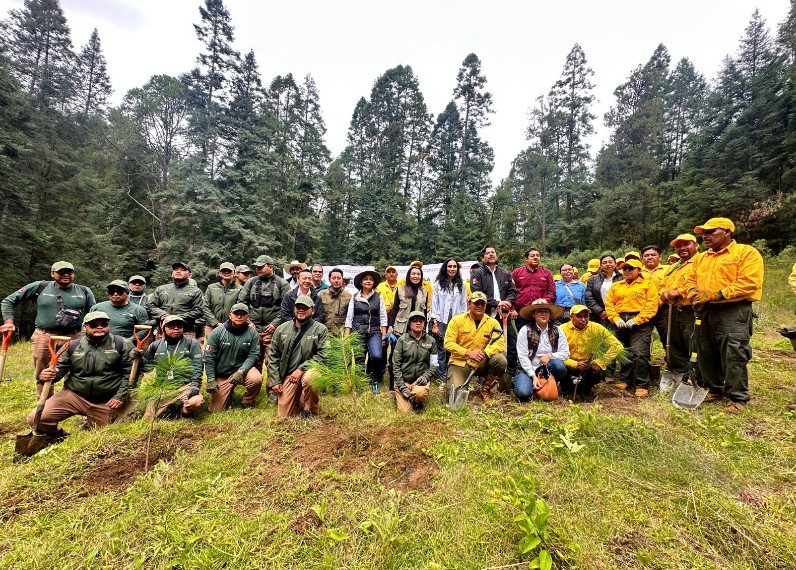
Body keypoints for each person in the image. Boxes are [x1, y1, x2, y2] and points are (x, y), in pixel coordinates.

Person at [684, 217, 764, 413]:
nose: (705, 236)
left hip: (733, 309)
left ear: (727, 232)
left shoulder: (746, 253)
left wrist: (717, 294)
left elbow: (749, 282)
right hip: (705, 310)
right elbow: (688, 278)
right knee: (706, 351)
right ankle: (715, 388)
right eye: (703, 233)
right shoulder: (701, 257)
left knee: (733, 351)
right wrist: (693, 293)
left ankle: (737, 397)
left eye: (711, 232)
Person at [30, 311, 133, 435]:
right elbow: (59, 369)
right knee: (35, 418)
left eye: (103, 324)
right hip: (74, 395)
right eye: (94, 325)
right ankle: (59, 436)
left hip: (105, 400)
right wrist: (47, 375)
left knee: (106, 435)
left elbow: (131, 374)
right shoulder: (72, 345)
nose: (99, 327)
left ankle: (91, 423)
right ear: (85, 327)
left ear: (108, 326)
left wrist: (120, 396)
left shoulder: (122, 344)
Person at [1, 261, 96, 395]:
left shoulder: (84, 291)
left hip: (74, 337)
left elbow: (94, 313)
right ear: (52, 274)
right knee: (43, 373)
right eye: (61, 272)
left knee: (76, 371)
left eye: (69, 272)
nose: (66, 275)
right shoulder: (40, 287)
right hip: (44, 336)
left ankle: (70, 402)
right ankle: (44, 405)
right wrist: (8, 322)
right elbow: (9, 301)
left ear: (73, 274)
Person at [267, 295, 329, 418]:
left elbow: (323, 355)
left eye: (305, 308)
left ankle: (310, 411)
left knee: (310, 379)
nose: (301, 310)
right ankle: (301, 398)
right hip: (290, 376)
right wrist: (275, 381)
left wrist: (301, 369)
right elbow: (273, 356)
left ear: (313, 310)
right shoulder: (281, 329)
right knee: (284, 415)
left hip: (310, 371)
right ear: (294, 309)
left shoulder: (321, 329)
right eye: (298, 307)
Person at [605, 258, 659, 397]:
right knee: (624, 352)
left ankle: (641, 384)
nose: (627, 271)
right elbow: (609, 304)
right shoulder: (617, 286)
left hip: (641, 323)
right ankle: (625, 379)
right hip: (621, 321)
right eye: (625, 269)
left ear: (639, 270)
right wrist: (615, 319)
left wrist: (637, 320)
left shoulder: (648, 285)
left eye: (631, 268)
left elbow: (651, 305)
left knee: (640, 353)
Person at [444, 291, 507, 401]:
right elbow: (448, 343)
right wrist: (468, 352)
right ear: (469, 304)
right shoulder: (457, 320)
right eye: (476, 303)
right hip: (460, 362)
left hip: (481, 361)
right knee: (458, 397)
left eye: (482, 304)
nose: (479, 306)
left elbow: (500, 343)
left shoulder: (493, 323)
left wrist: (485, 353)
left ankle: (486, 390)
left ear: (486, 305)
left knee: (500, 360)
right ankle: (453, 385)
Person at [141, 315, 204, 418]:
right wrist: (139, 359)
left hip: (185, 386)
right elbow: (147, 368)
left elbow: (198, 366)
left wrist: (195, 384)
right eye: (171, 326)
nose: (176, 329)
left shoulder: (191, 343)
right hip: (162, 388)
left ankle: (184, 412)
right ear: (163, 328)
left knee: (196, 402)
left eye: (179, 326)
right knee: (149, 418)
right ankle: (168, 410)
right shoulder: (155, 345)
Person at [204, 303, 262, 411]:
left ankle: (248, 401)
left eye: (242, 314)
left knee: (256, 379)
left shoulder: (252, 333)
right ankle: (227, 395)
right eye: (236, 314)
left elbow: (253, 355)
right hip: (222, 374)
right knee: (216, 410)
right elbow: (209, 357)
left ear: (247, 317)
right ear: (230, 315)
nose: (239, 317)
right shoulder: (217, 332)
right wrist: (211, 379)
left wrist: (241, 371)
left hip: (242, 371)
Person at [237, 254, 291, 369]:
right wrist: (248, 322)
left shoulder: (282, 283)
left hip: (272, 331)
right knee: (253, 359)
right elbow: (241, 304)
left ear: (270, 266)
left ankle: (272, 386)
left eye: (261, 267)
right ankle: (253, 385)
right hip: (252, 329)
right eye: (256, 267)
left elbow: (287, 308)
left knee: (272, 360)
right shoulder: (251, 282)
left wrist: (275, 324)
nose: (258, 269)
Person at [658, 234, 700, 378]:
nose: (682, 248)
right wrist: (664, 293)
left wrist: (679, 292)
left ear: (696, 245)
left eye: (686, 244)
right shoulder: (674, 266)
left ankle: (697, 376)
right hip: (673, 310)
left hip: (691, 310)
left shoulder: (701, 262)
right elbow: (663, 283)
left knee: (693, 343)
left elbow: (702, 284)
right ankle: (680, 373)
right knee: (674, 342)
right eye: (678, 246)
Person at [561, 305, 625, 400]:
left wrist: (600, 361)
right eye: (579, 316)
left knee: (599, 371)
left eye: (586, 316)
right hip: (568, 363)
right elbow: (554, 352)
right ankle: (567, 389)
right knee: (558, 367)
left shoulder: (596, 327)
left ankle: (584, 389)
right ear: (571, 317)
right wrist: (574, 364)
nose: (583, 319)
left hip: (588, 364)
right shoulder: (562, 329)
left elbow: (617, 346)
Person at [514, 299, 570, 402]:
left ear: (550, 314)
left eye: (546, 311)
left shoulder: (557, 330)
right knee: (523, 393)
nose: (544, 314)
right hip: (528, 369)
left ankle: (548, 385)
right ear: (533, 314)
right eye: (540, 311)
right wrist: (533, 376)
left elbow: (566, 353)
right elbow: (522, 356)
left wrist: (550, 356)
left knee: (559, 365)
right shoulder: (525, 330)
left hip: (547, 368)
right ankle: (534, 385)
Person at [345, 270, 388, 393]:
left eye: (371, 279)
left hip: (374, 332)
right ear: (361, 282)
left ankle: (375, 379)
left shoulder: (378, 297)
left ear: (373, 283)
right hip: (357, 331)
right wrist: (347, 337)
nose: (368, 281)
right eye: (366, 279)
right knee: (359, 358)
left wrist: (384, 335)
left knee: (376, 356)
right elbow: (349, 318)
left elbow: (383, 317)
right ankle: (359, 383)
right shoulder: (354, 298)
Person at [429, 259, 467, 384]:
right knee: (442, 350)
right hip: (441, 320)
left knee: (454, 349)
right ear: (445, 268)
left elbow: (463, 305)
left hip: (456, 321)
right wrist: (434, 323)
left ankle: (453, 376)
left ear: (457, 269)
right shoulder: (438, 285)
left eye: (454, 266)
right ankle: (442, 378)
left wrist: (463, 322)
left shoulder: (461, 285)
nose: (452, 269)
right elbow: (434, 304)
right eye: (449, 266)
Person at [393, 311, 437, 413]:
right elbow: (396, 365)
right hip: (404, 381)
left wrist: (426, 376)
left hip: (419, 382)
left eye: (421, 321)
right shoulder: (402, 340)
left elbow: (434, 364)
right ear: (410, 324)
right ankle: (401, 394)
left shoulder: (431, 341)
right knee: (404, 412)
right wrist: (402, 386)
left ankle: (417, 400)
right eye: (415, 321)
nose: (418, 323)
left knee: (419, 394)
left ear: (424, 324)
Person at [147, 262, 204, 338]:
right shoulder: (161, 289)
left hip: (186, 332)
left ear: (190, 275)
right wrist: (162, 314)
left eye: (183, 270)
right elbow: (150, 306)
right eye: (176, 269)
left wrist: (177, 317)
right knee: (161, 350)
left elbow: (199, 310)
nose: (178, 271)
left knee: (184, 350)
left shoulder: (196, 291)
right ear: (172, 274)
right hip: (163, 332)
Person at [203, 262, 242, 337]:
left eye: (229, 271)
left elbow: (241, 307)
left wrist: (231, 322)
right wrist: (215, 323)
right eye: (224, 271)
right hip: (212, 327)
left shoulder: (240, 289)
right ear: (220, 273)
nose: (226, 272)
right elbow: (205, 307)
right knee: (211, 348)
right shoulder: (211, 288)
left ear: (234, 273)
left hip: (233, 326)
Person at [641, 245, 669, 345]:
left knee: (668, 337)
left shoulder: (669, 270)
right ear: (642, 258)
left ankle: (671, 359)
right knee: (642, 339)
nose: (650, 257)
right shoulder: (637, 272)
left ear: (660, 257)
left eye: (653, 255)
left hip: (663, 310)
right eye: (646, 255)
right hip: (643, 311)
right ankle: (642, 360)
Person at [585, 254, 622, 326]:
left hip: (619, 314)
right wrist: (600, 311)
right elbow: (588, 297)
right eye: (604, 263)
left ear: (615, 264)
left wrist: (614, 312)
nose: (608, 264)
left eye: (610, 262)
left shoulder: (622, 277)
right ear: (601, 266)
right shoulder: (593, 279)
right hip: (599, 315)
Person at [319, 268, 352, 336]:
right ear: (329, 280)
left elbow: (350, 318)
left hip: (341, 335)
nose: (336, 280)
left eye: (339, 278)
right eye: (334, 278)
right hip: (323, 333)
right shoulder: (321, 294)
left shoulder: (349, 297)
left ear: (342, 280)